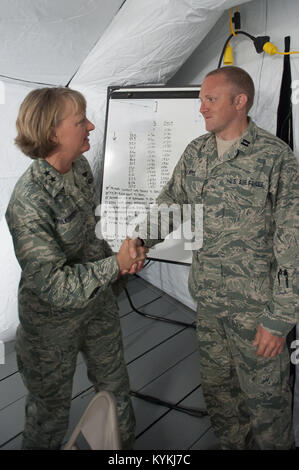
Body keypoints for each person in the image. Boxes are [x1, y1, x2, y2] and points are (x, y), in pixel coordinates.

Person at [130, 66, 299, 450]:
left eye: (210, 98)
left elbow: (293, 241)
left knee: (267, 404)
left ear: (240, 102)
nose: (201, 108)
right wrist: (140, 238)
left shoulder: (275, 158)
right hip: (208, 303)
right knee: (221, 397)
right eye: (201, 99)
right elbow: (171, 204)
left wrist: (279, 319)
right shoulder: (198, 152)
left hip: (255, 311)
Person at [5, 87, 148, 450]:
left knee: (116, 391)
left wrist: (120, 261)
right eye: (80, 120)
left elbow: (88, 235)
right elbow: (52, 284)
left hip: (96, 306)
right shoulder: (29, 201)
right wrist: (113, 266)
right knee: (49, 416)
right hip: (51, 326)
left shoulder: (79, 166)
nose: (91, 126)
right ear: (53, 132)